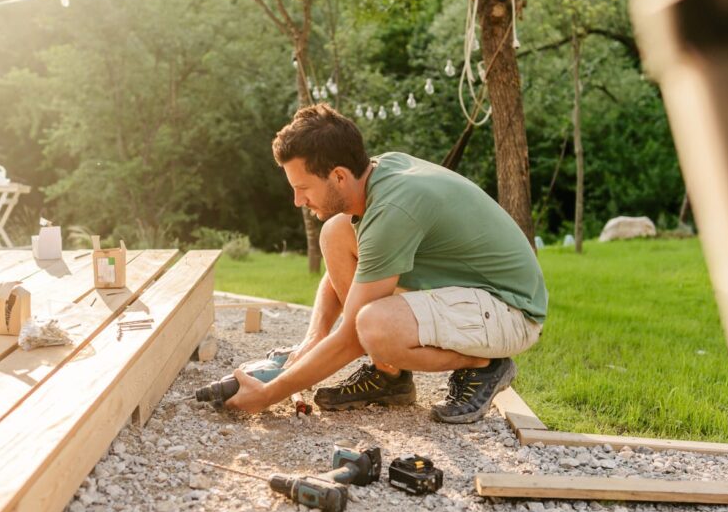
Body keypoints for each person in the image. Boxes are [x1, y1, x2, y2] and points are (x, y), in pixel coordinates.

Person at [226, 104, 547, 423]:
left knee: (374, 327)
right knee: (335, 233)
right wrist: (314, 338)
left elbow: (353, 337)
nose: (298, 201)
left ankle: (485, 364)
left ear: (338, 176)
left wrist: (269, 394)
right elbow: (352, 267)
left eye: (302, 188)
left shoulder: (393, 209)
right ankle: (389, 377)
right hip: (475, 295)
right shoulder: (377, 175)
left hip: (512, 311)